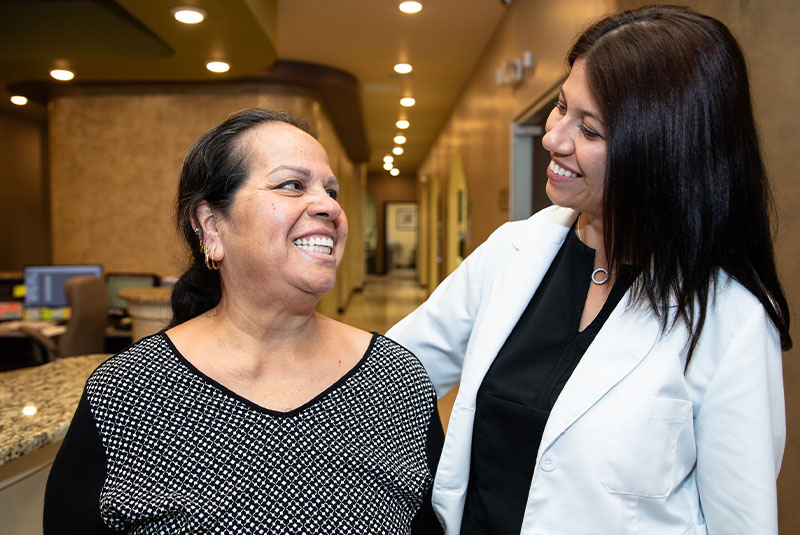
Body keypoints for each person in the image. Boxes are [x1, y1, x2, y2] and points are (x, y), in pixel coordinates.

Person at [387, 5, 791, 535]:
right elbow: (392, 371)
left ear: (662, 153)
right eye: (560, 106)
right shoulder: (514, 252)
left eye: (591, 130)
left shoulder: (730, 321)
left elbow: (742, 522)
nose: (553, 138)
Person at [44, 109, 444, 534]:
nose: (330, 206)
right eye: (292, 184)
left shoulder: (397, 380)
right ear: (212, 226)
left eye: (332, 191)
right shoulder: (129, 391)